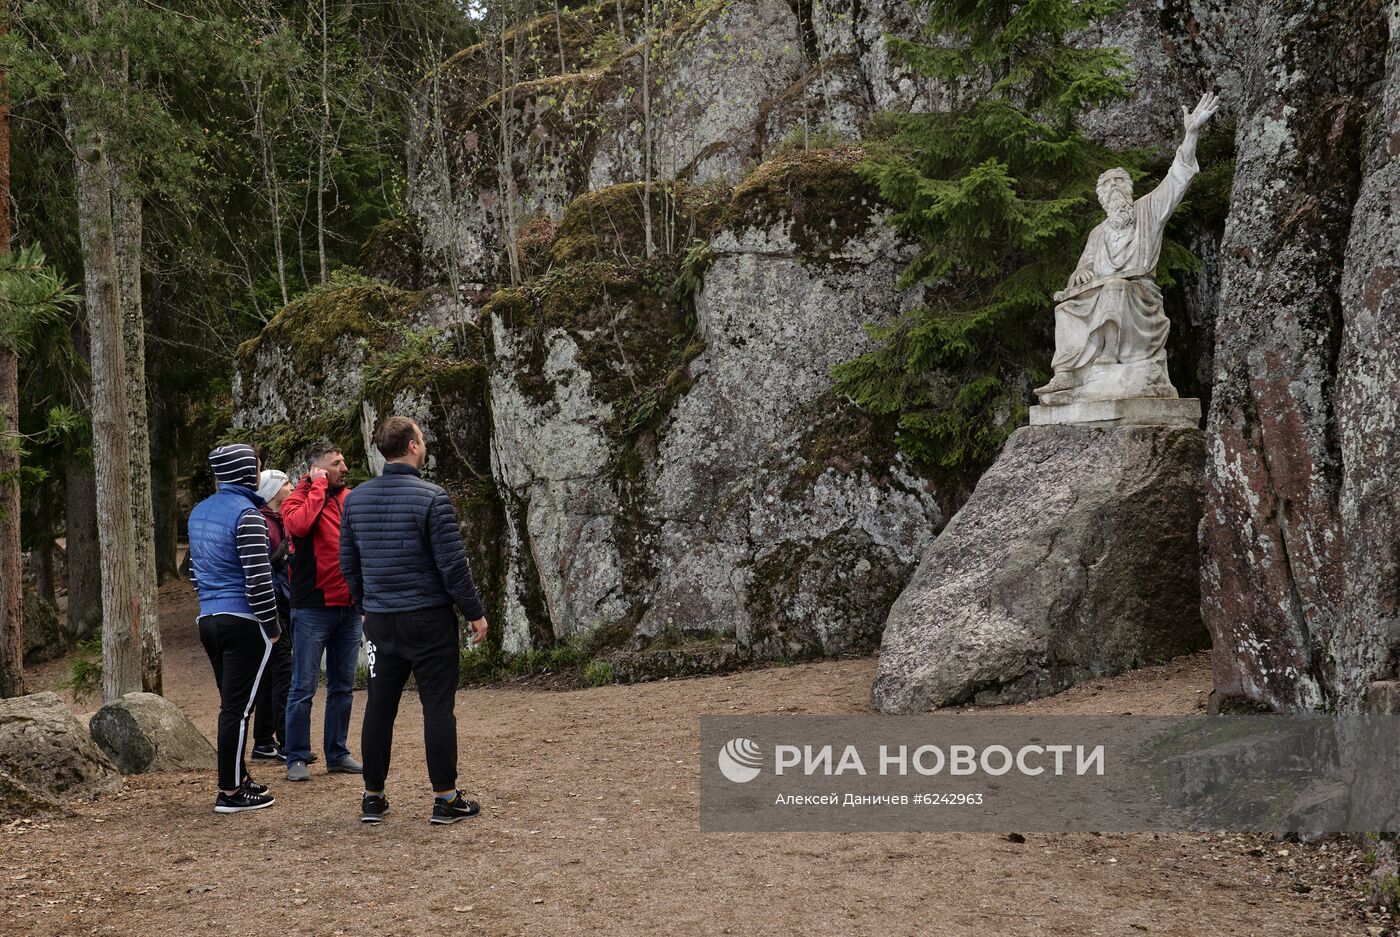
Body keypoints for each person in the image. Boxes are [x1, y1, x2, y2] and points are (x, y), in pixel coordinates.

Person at [339, 416, 489, 825]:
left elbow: (347, 563)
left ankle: (373, 796)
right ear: (411, 446)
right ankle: (445, 797)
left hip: (380, 620)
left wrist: (364, 605)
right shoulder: (432, 498)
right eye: (422, 439)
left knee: (379, 706)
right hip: (428, 619)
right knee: (437, 706)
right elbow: (453, 568)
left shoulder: (355, 500)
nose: (424, 445)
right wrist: (474, 612)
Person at [1034, 91, 1220, 401]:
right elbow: (1083, 269)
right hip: (1102, 293)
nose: (1114, 192)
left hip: (1139, 296)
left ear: (1129, 191)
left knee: (1116, 287)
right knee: (1066, 308)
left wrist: (1191, 133)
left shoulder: (1149, 210)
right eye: (1107, 190)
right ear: (1102, 201)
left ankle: (1107, 359)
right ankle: (1066, 375)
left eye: (1119, 186)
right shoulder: (1098, 233)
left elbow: (1178, 178)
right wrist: (1080, 274)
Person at [187, 443, 280, 814]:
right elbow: (259, 580)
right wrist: (272, 626)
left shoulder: (198, 513)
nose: (260, 470)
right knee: (238, 710)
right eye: (257, 465)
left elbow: (194, 572)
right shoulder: (248, 515)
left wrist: (210, 602)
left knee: (232, 705)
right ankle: (229, 791)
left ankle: (238, 778)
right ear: (248, 472)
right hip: (244, 621)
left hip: (208, 618)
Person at [281, 439, 363, 781]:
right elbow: (299, 526)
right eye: (336, 463)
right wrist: (316, 488)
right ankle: (296, 756)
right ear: (316, 469)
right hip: (313, 607)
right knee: (303, 686)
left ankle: (337, 752)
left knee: (343, 686)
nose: (344, 468)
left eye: (343, 462)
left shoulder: (350, 499)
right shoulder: (296, 500)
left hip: (349, 607)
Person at [251, 469, 293, 762]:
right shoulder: (265, 523)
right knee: (281, 671)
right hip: (274, 606)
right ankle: (283, 739)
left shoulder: (277, 519)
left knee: (270, 672)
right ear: (275, 491)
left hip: (281, 603)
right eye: (287, 483)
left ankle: (265, 740)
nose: (291, 486)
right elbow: (265, 567)